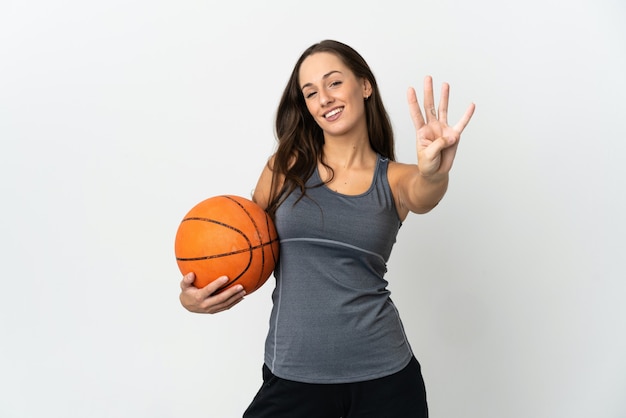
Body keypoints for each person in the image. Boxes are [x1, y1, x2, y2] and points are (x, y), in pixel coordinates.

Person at [179, 39, 475, 417]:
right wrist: (195, 295)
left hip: (386, 381)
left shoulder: (396, 180)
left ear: (364, 86)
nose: (324, 98)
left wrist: (435, 172)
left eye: (334, 83)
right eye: (311, 92)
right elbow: (242, 243)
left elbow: (425, 193)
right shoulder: (285, 166)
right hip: (293, 377)